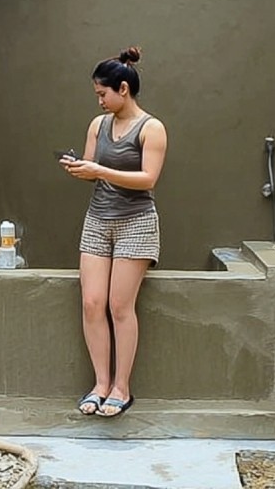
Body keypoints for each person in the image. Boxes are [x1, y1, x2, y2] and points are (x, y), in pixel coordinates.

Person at [59, 46, 167, 418]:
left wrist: (100, 172)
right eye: (97, 95)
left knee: (120, 306)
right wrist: (78, 167)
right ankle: (100, 383)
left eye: (103, 94)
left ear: (123, 89)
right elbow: (92, 165)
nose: (100, 100)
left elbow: (148, 179)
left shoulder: (152, 128)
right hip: (98, 220)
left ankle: (122, 387)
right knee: (91, 303)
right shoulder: (97, 125)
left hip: (136, 222)